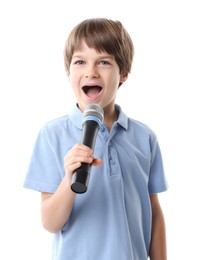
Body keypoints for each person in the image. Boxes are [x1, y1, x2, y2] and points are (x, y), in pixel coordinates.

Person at [23, 18, 168, 260]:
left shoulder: (145, 138)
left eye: (103, 62)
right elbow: (50, 222)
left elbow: (153, 212)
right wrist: (69, 179)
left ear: (123, 73)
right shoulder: (52, 135)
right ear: (68, 72)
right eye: (80, 62)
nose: (91, 71)